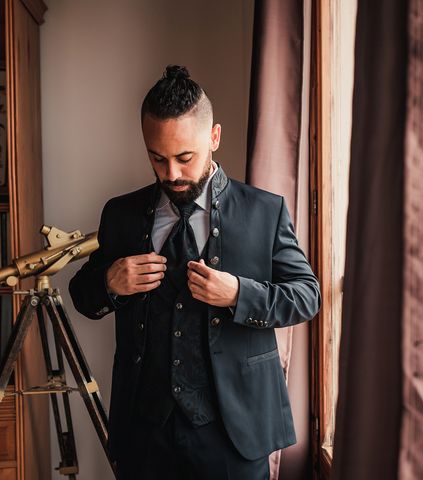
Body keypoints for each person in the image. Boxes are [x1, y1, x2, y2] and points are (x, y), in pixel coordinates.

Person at [69, 65, 321, 480]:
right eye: (157, 158)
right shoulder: (121, 214)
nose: (171, 174)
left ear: (214, 137)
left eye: (185, 158)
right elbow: (84, 296)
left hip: (234, 433)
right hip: (145, 435)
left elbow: (306, 295)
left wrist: (240, 293)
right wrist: (110, 283)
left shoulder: (265, 211)